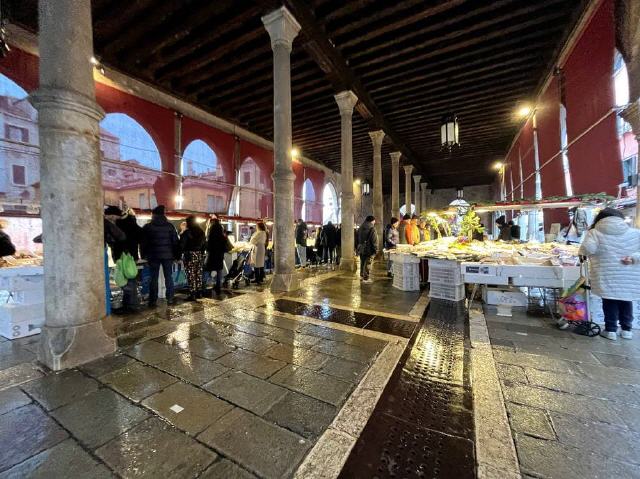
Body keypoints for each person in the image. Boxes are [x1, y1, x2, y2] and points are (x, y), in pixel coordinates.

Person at [579, 208, 640, 341]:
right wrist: (633, 258)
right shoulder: (635, 233)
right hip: (628, 274)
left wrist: (582, 251)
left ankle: (611, 330)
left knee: (609, 300)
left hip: (606, 273)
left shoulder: (594, 233)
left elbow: (588, 249)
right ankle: (626, 330)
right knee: (626, 300)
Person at [141, 205, 179, 307]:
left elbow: (143, 243)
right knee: (168, 277)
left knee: (154, 278)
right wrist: (176, 256)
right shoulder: (170, 226)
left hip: (153, 256)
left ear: (153, 215)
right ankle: (170, 298)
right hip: (168, 256)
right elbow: (175, 242)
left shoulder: (148, 227)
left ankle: (153, 300)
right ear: (163, 214)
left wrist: (143, 255)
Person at [113, 208, 143, 312]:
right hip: (131, 256)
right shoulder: (133, 224)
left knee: (126, 281)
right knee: (130, 279)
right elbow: (141, 238)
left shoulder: (117, 224)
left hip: (121, 255)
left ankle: (131, 305)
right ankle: (130, 304)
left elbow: (115, 241)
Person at [104, 206, 126, 315]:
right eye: (117, 217)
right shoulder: (107, 223)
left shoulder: (101, 221)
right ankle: (106, 308)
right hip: (106, 254)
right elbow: (121, 236)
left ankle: (105, 308)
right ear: (112, 215)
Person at [180, 215, 206, 300]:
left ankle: (193, 294)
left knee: (191, 275)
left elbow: (182, 245)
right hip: (199, 255)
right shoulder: (201, 231)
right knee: (198, 274)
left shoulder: (187, 232)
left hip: (189, 255)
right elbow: (204, 244)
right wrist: (201, 253)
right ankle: (199, 293)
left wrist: (179, 254)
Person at [205, 218, 228, 294]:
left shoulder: (211, 237)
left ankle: (206, 286)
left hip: (212, 256)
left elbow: (208, 247)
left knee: (208, 271)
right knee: (219, 271)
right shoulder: (223, 237)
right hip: (219, 256)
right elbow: (225, 247)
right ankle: (218, 287)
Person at [357, 215, 378, 283]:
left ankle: (362, 276)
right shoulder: (372, 228)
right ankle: (366, 278)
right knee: (368, 263)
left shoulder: (360, 227)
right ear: (372, 220)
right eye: (374, 221)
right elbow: (374, 240)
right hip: (369, 249)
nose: (374, 222)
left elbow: (357, 238)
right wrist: (376, 250)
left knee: (362, 262)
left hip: (361, 248)